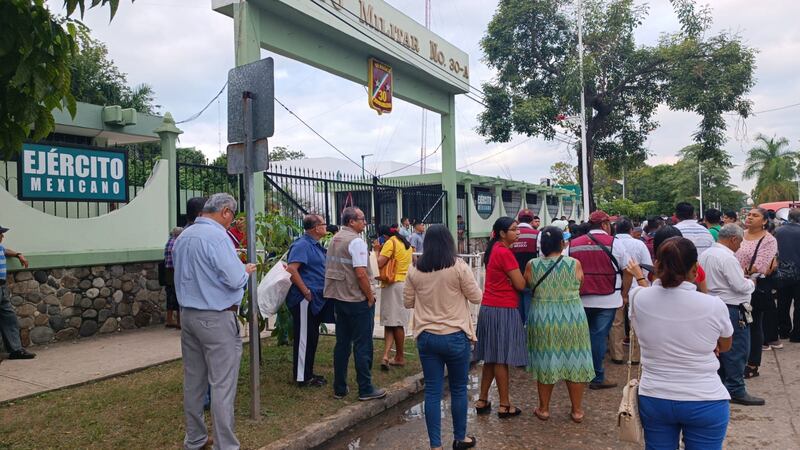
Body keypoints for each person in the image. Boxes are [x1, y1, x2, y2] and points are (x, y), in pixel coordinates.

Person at [629, 237, 733, 450]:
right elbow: (726, 345)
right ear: (695, 269)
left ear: (657, 266)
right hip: (705, 398)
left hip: (655, 396)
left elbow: (646, 298)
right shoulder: (714, 305)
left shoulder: (638, 298)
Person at [173, 193, 257, 450]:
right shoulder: (218, 236)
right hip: (216, 316)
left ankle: (195, 438)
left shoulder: (184, 236)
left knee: (194, 381)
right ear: (225, 212)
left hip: (188, 315)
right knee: (222, 384)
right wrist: (244, 271)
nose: (231, 223)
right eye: (231, 217)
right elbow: (233, 278)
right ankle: (226, 445)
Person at [403, 224, 482, 450]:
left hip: (426, 337)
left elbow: (408, 302)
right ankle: (460, 438)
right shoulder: (459, 266)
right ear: (449, 242)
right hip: (456, 336)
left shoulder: (415, 269)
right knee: (458, 388)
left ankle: (435, 446)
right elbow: (476, 297)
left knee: (432, 391)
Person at [523, 226, 594, 423]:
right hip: (572, 317)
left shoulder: (532, 264)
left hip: (542, 318)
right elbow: (580, 284)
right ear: (562, 244)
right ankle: (577, 410)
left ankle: (544, 409)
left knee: (546, 360)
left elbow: (527, 285)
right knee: (575, 360)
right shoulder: (574, 264)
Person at [324, 207, 386, 401]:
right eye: (362, 219)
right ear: (351, 221)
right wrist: (369, 297)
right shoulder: (356, 242)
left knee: (342, 343)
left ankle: (339, 388)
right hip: (356, 299)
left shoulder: (335, 239)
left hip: (339, 298)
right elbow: (360, 273)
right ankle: (365, 388)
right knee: (363, 344)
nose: (365, 223)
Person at [699, 224, 764, 405]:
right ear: (733, 239)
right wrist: (751, 281)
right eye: (740, 242)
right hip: (732, 308)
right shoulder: (727, 258)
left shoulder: (706, 254)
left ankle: (721, 386)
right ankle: (736, 388)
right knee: (737, 349)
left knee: (719, 349)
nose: (740, 246)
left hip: (713, 305)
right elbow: (739, 286)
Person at [568, 210, 631, 390]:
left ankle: (577, 373)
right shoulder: (615, 244)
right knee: (598, 336)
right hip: (608, 298)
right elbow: (628, 270)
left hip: (580, 298)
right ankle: (597, 376)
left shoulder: (573, 244)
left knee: (581, 337)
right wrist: (624, 295)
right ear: (604, 225)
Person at [474, 217, 527, 418]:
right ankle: (504, 404)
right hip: (503, 308)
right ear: (503, 233)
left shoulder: (494, 249)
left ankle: (482, 399)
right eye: (514, 230)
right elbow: (521, 284)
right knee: (500, 359)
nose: (518, 233)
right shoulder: (505, 253)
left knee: (490, 357)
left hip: (489, 308)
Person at [285, 214, 329, 388]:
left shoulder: (315, 245)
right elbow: (292, 269)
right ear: (315, 228)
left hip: (315, 299)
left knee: (311, 336)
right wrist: (306, 291)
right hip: (304, 299)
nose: (326, 226)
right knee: (304, 338)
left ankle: (308, 373)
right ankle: (302, 377)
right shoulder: (302, 245)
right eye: (323, 223)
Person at [735, 208, 779, 378]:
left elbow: (761, 266)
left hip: (754, 288)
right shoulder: (739, 234)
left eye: (755, 215)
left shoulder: (768, 240)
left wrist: (736, 272)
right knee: (735, 325)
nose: (750, 217)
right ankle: (736, 361)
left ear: (764, 221)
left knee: (753, 324)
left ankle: (752, 364)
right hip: (733, 285)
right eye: (749, 214)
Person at [609, 217, 652, 365]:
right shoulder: (639, 244)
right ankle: (635, 356)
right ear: (631, 230)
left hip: (615, 287)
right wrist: (643, 281)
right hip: (637, 285)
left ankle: (617, 354)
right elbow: (647, 265)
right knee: (636, 320)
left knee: (617, 322)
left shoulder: (611, 243)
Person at [375, 225, 413, 370]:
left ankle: (399, 357)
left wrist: (377, 250)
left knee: (396, 323)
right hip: (403, 283)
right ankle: (386, 356)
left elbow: (379, 263)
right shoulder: (406, 244)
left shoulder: (390, 243)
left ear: (384, 236)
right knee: (390, 322)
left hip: (392, 284)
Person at [0, 225, 35, 360]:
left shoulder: (0, 248)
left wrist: (18, 254)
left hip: (2, 288)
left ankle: (16, 350)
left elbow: (6, 251)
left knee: (9, 318)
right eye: (1, 234)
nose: (3, 236)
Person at [510, 209, 539, 323]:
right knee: (529, 315)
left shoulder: (510, 234)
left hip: (512, 279)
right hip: (531, 279)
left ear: (518, 220)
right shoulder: (538, 235)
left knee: (516, 314)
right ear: (532, 221)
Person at [775, 208, 800, 342]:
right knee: (799, 305)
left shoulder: (778, 231)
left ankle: (783, 331)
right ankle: (797, 334)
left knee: (783, 304)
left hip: (782, 273)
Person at [163, 226, 183, 329]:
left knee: (170, 295)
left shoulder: (169, 241)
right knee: (177, 295)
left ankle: (169, 319)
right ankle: (179, 322)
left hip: (168, 271)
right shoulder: (176, 243)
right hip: (174, 271)